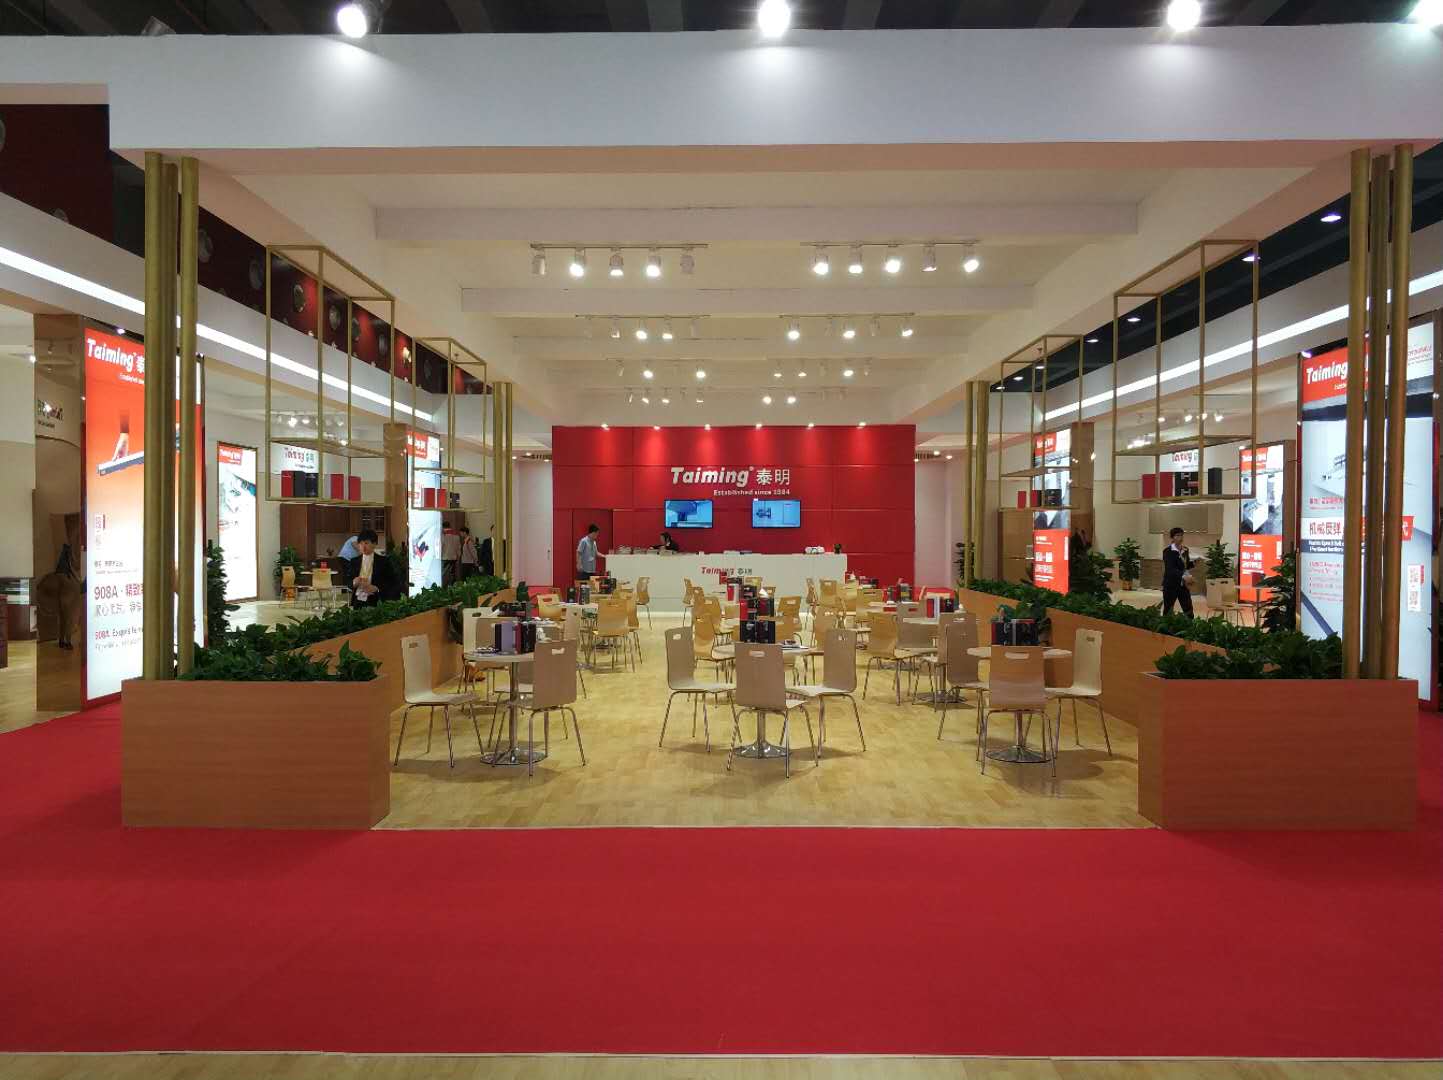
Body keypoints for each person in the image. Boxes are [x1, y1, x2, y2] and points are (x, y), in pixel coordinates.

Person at [347, 529, 399, 607]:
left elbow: (392, 582)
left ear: (374, 544)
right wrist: (354, 583)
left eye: (366, 543)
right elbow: (347, 581)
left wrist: (377, 588)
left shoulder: (384, 561)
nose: (363, 547)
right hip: (358, 601)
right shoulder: (354, 561)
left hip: (376, 600)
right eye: (360, 543)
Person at [1161, 527, 1195, 618]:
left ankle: (1190, 625)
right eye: (1177, 535)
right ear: (1172, 537)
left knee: (1188, 609)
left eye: (1181, 535)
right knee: (1168, 609)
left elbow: (1184, 565)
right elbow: (1170, 569)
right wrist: (1183, 575)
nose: (1180, 537)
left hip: (1183, 585)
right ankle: (1166, 626)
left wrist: (1193, 563)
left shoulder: (1185, 550)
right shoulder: (1168, 551)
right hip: (1170, 585)